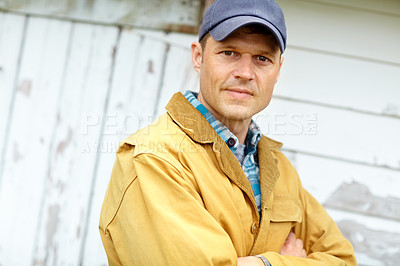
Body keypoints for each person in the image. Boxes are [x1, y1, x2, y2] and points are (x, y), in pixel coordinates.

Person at [99, 0, 357, 265]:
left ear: (278, 69)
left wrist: (256, 263)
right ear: (198, 57)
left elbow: (343, 260)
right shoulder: (155, 158)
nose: (245, 73)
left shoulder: (279, 169)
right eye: (229, 53)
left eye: (262, 58)